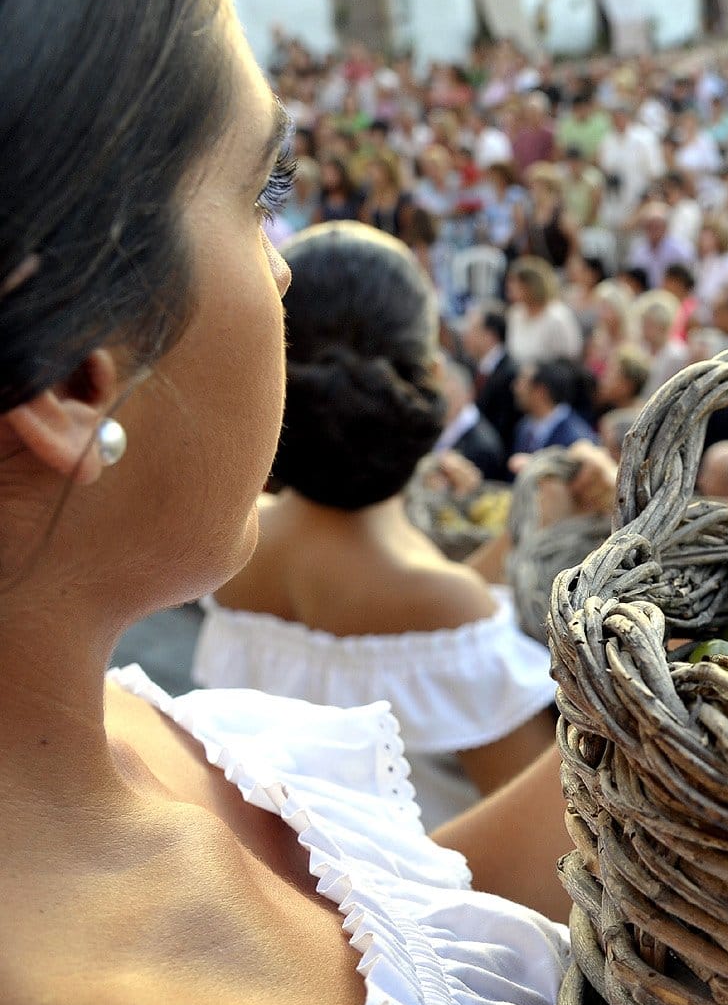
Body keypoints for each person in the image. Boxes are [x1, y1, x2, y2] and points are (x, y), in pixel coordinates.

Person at [0, 0, 728, 1005]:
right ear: (74, 375)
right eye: (264, 196)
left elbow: (435, 935)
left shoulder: (124, 736)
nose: (281, 273)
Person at [195, 222, 558, 827]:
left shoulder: (231, 547)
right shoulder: (448, 609)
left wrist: (516, 534)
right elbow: (556, 843)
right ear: (432, 377)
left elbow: (386, 620)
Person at [432, 353, 508, 481]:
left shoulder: (483, 446)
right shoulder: (438, 423)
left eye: (451, 396)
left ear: (468, 394)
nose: (444, 403)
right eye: (441, 396)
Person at [459, 303, 523, 453]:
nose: (465, 335)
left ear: (490, 336)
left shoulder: (510, 374)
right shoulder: (472, 367)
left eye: (472, 329)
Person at [503, 256, 583, 368]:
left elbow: (570, 357)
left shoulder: (557, 316)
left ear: (530, 286)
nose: (509, 288)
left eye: (515, 283)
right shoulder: (515, 313)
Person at [511, 359, 596, 457]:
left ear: (540, 391)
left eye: (522, 382)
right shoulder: (524, 427)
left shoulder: (576, 439)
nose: (515, 388)